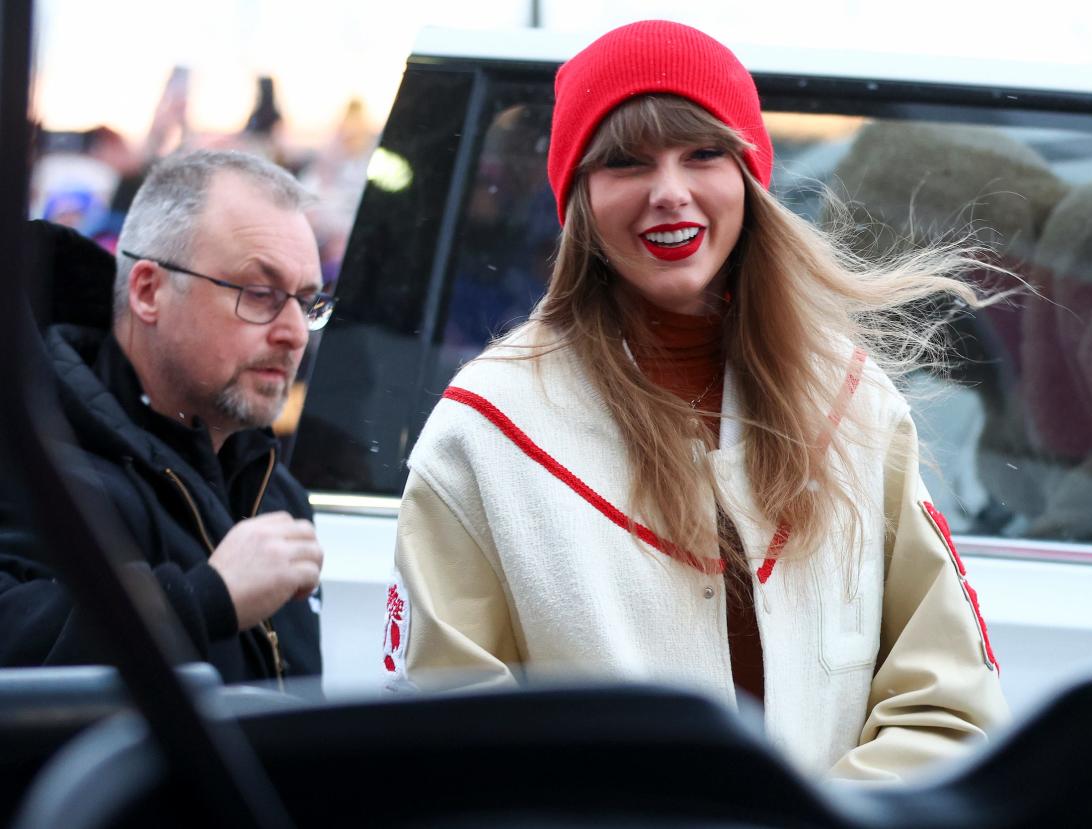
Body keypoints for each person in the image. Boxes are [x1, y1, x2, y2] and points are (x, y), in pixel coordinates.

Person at [385, 20, 1007, 781]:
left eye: (703, 152)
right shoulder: (483, 433)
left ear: (747, 175)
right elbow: (448, 741)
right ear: (578, 197)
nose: (669, 191)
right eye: (625, 161)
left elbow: (949, 703)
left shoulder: (852, 402)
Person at [0, 149, 335, 685]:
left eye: (308, 301)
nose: (294, 332)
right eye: (260, 294)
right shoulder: (37, 463)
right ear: (149, 291)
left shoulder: (273, 485)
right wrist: (204, 600)